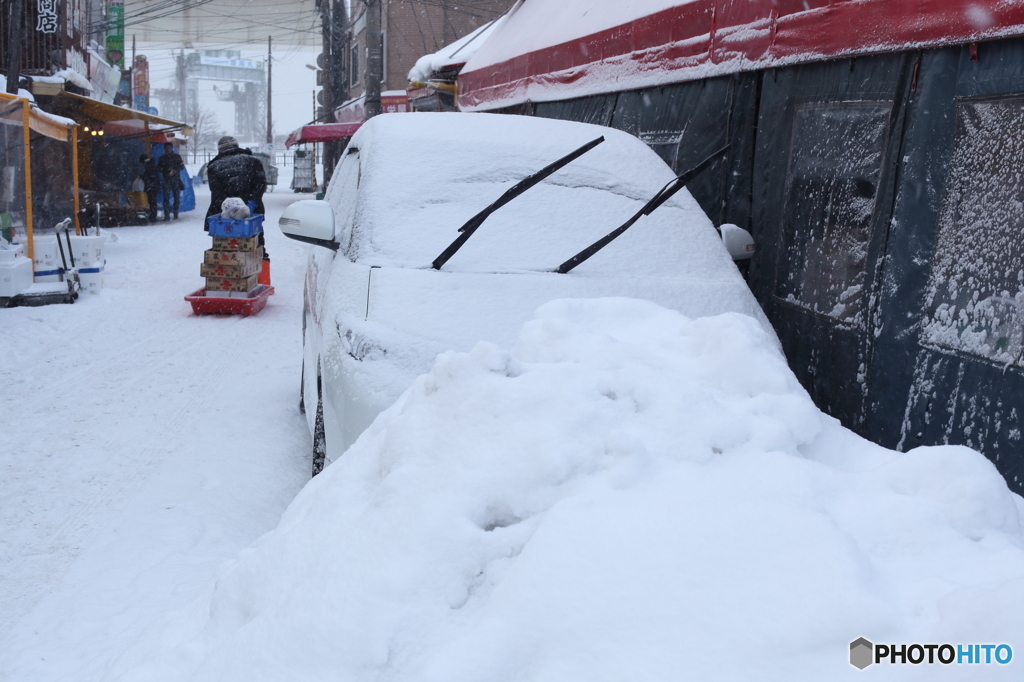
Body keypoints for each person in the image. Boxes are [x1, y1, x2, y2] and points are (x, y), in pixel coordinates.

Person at [205, 136, 269, 259]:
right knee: (256, 246)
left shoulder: (214, 167)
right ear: (237, 146)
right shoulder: (254, 161)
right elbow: (260, 185)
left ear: (220, 149)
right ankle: (261, 276)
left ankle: (232, 273)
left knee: (228, 250)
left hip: (225, 220)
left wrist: (229, 210)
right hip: (253, 215)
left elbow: (217, 195)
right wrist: (251, 204)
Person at [156, 141, 185, 220]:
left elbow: (182, 166)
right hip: (166, 179)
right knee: (166, 198)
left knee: (176, 198)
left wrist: (175, 170)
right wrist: (166, 171)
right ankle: (166, 215)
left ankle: (175, 214)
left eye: (169, 148)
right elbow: (159, 169)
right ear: (164, 149)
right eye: (166, 148)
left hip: (175, 179)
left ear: (172, 148)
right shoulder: (162, 158)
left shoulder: (177, 157)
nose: (167, 150)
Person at [136, 154, 161, 222]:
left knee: (152, 202)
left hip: (151, 186)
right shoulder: (152, 164)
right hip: (153, 186)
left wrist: (142, 176)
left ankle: (153, 216)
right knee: (152, 202)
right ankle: (153, 216)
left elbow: (149, 176)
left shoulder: (149, 166)